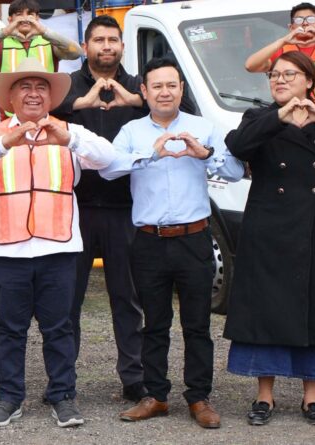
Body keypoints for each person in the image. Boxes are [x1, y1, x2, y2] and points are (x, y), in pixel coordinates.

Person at [0, 58, 116, 428]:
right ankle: (8, 398)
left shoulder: (68, 131)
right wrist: (3, 144)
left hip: (58, 249)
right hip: (8, 250)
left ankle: (63, 396)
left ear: (51, 97)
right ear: (10, 97)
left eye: (41, 87)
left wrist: (70, 138)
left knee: (59, 327)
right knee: (10, 328)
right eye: (25, 87)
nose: (33, 94)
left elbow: (110, 158)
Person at [99, 58, 244, 429]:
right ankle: (156, 395)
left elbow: (235, 170)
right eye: (157, 86)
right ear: (144, 92)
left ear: (181, 89)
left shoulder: (202, 127)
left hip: (194, 238)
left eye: (172, 85)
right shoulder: (132, 131)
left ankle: (199, 397)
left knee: (197, 324)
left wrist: (205, 154)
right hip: (148, 241)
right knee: (155, 322)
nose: (165, 92)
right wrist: (151, 154)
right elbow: (108, 167)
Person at [224, 51, 315, 427]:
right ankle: (265, 395)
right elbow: (238, 145)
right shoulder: (258, 118)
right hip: (269, 229)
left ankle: (313, 396)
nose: (279, 80)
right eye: (274, 75)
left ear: (309, 80)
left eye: (289, 74)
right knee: (267, 311)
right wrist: (278, 117)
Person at [51, 14, 147, 403]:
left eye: (113, 40)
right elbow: (45, 121)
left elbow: (179, 109)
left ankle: (134, 377)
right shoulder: (67, 86)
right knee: (67, 301)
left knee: (127, 298)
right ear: (85, 46)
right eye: (99, 40)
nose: (106, 46)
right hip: (77, 207)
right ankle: (63, 380)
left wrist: (137, 100)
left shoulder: (138, 85)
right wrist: (79, 104)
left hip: (127, 206)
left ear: (122, 46)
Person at [244, 2, 315, 108]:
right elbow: (250, 66)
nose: (305, 23)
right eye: (299, 20)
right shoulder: (282, 51)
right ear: (291, 27)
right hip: (291, 116)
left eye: (310, 19)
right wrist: (283, 40)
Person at [0, 0, 81, 75]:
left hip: (43, 108)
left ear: (37, 18)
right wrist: (4, 32)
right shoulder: (0, 44)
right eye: (19, 14)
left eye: (30, 14)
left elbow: (76, 52)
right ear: (10, 20)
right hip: (10, 111)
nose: (25, 18)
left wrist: (45, 32)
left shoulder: (50, 42)